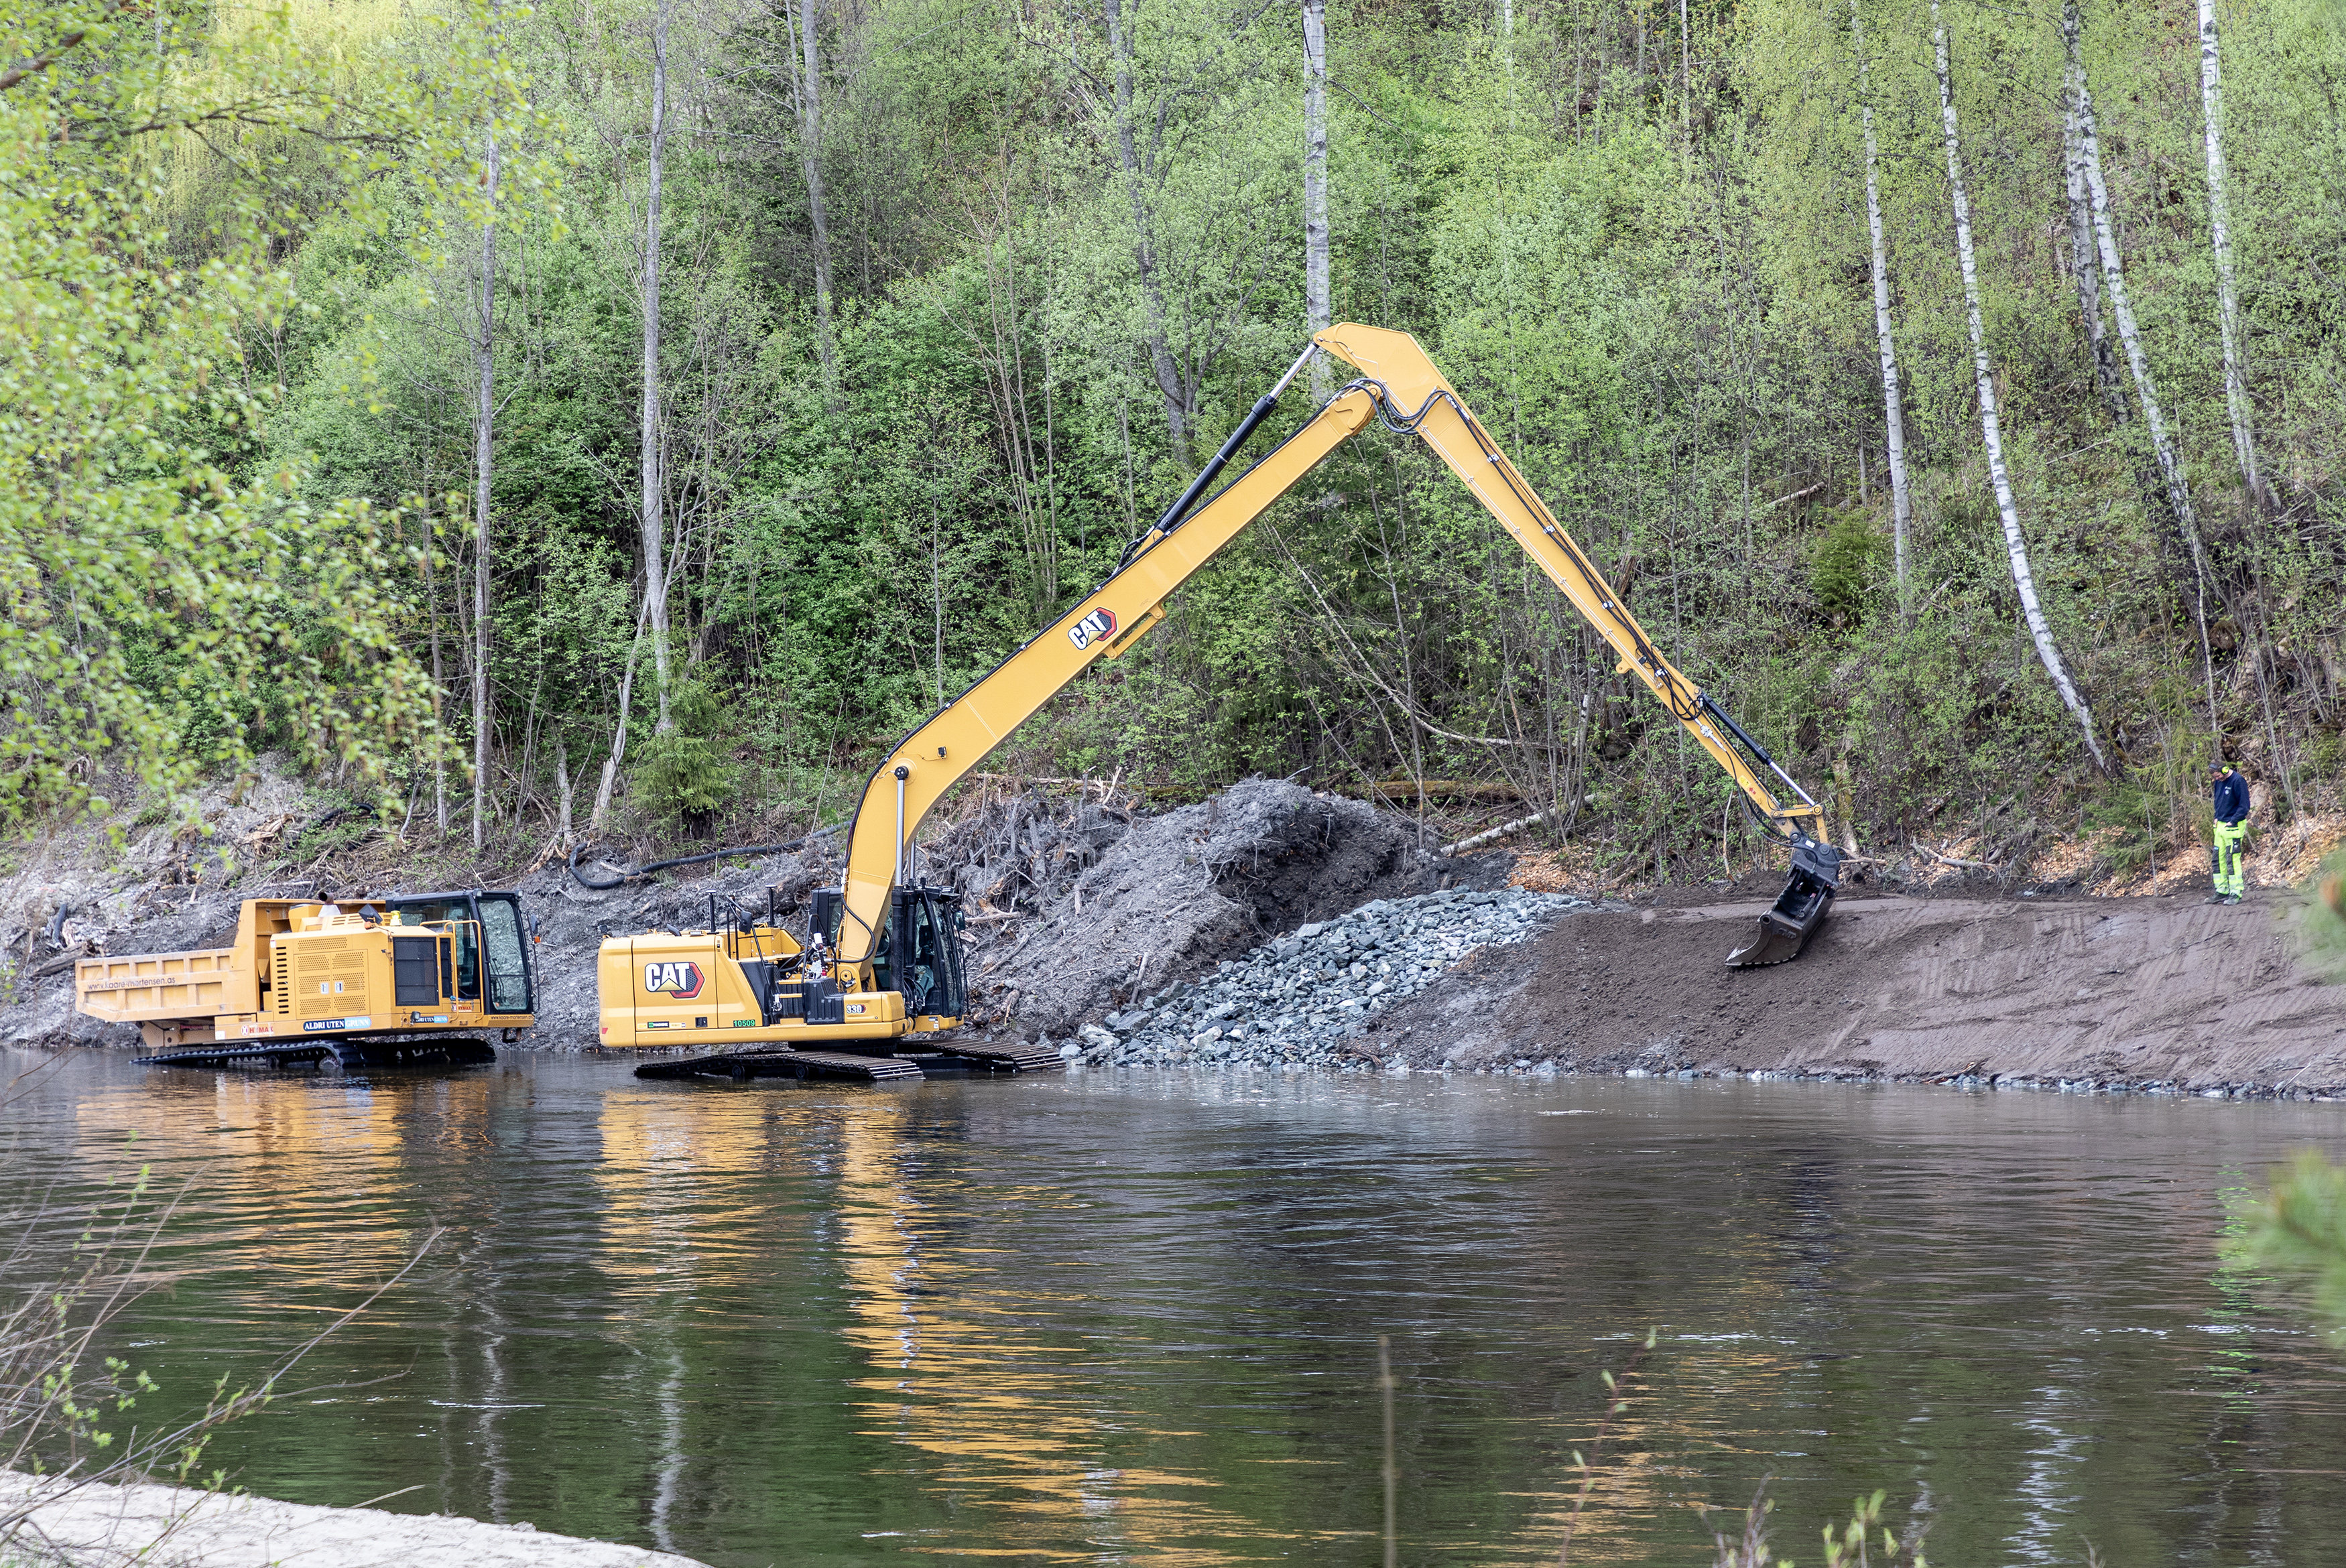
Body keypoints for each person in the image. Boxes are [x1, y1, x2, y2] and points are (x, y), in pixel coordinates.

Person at [2207, 761, 2249, 904]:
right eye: (2215, 777)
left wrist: (2233, 821)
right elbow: (2218, 801)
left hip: (2234, 826)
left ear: (2225, 770)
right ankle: (2222, 890)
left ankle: (2236, 893)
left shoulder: (2238, 781)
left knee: (2232, 859)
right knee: (2217, 859)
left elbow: (2244, 806)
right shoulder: (2218, 782)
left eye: (2218, 776)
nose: (2217, 779)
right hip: (2220, 826)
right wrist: (2216, 817)